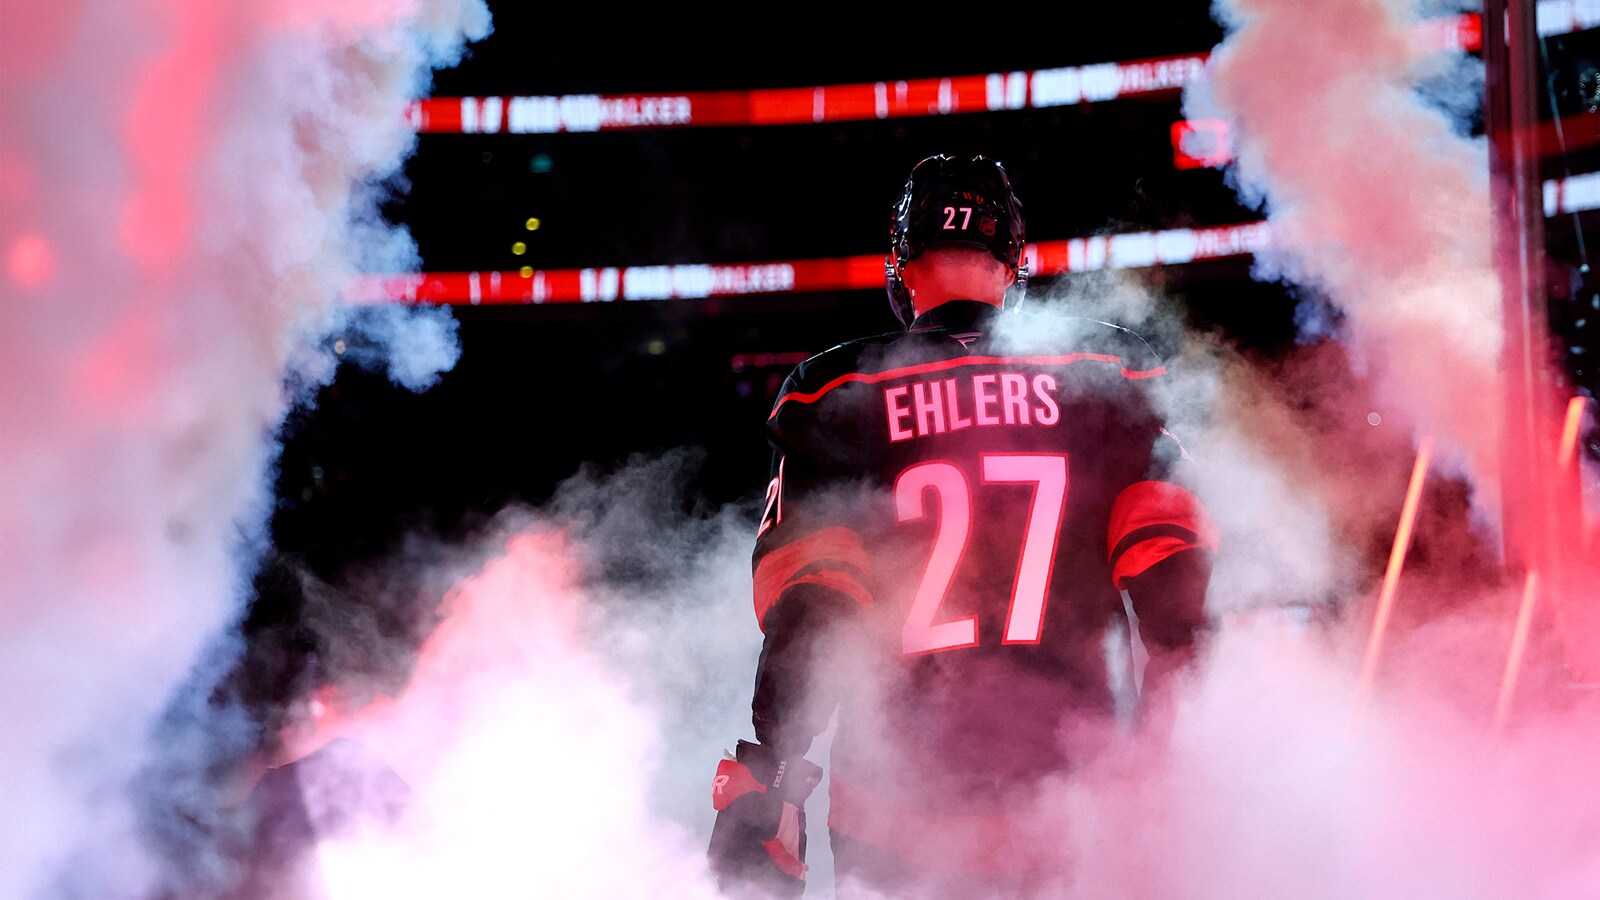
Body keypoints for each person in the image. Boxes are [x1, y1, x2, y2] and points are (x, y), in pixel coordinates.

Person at [707, 152, 1218, 898]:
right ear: (1010, 262)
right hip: (1074, 797)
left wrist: (774, 766)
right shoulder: (1107, 371)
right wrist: (1178, 749)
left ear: (904, 263)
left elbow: (815, 604)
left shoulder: (835, 391)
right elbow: (1171, 579)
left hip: (895, 810)